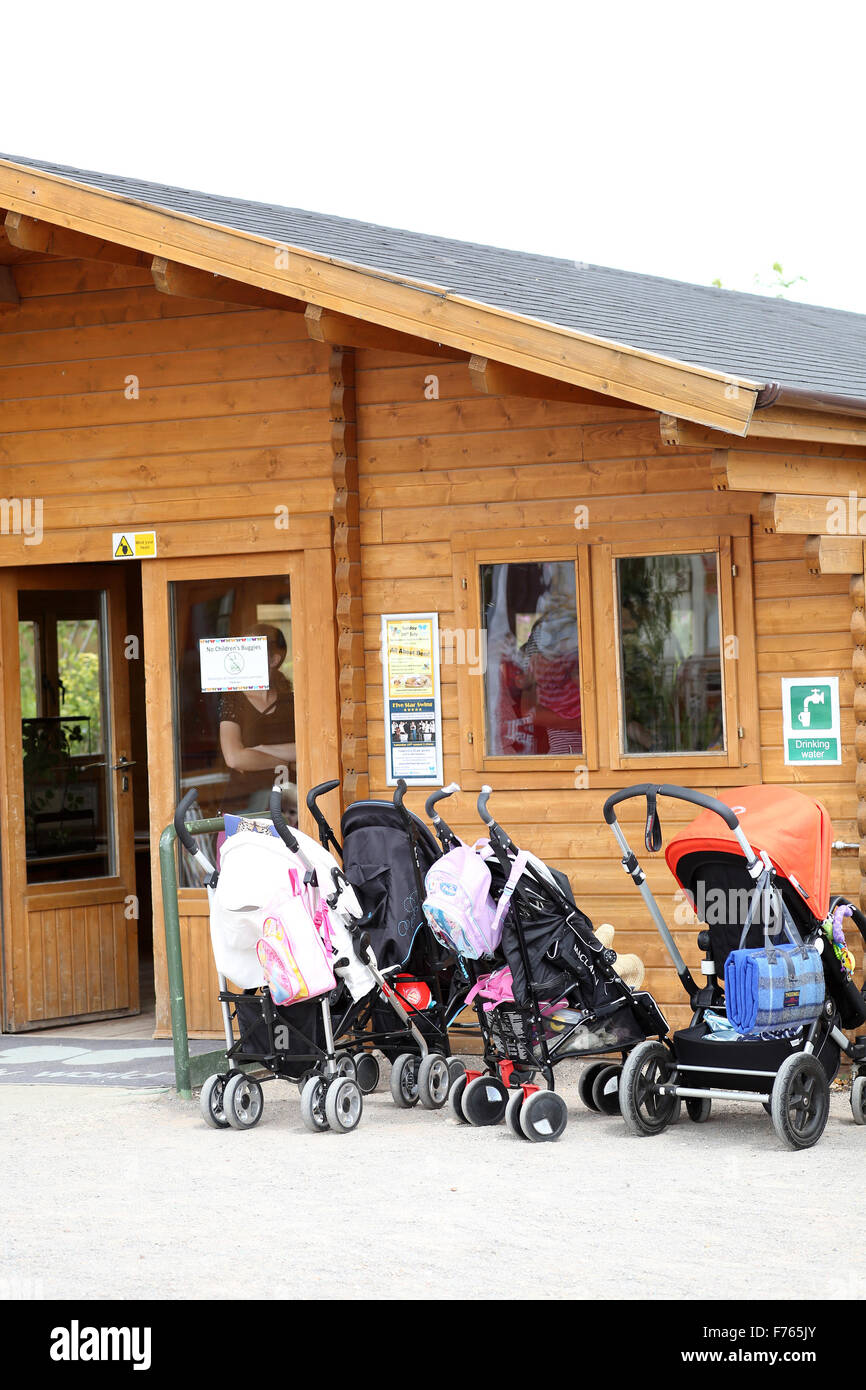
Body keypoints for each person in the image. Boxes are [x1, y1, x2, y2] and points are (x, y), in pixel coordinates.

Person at [217, 624, 296, 817]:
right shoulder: (233, 699)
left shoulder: (291, 700)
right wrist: (287, 762)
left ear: (273, 660)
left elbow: (304, 750)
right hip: (245, 805)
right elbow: (235, 758)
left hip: (291, 806)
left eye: (251, 649)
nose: (243, 655)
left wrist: (258, 750)